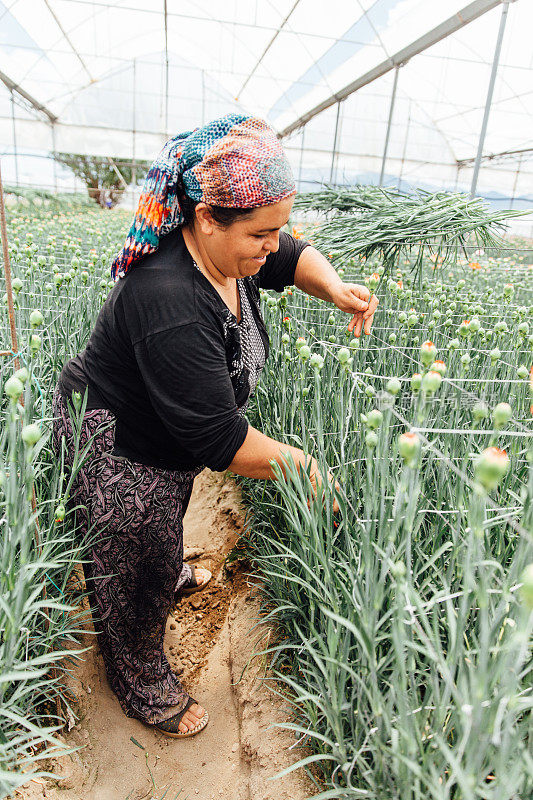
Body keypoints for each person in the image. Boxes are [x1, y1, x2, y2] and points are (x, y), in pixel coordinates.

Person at [52, 113, 378, 739]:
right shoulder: (169, 296)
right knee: (135, 537)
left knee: (162, 523)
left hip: (166, 437)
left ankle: (160, 567)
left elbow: (293, 253)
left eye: (277, 229)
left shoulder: (232, 249)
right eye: (262, 234)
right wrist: (304, 465)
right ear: (206, 217)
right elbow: (217, 440)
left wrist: (333, 287)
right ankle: (139, 672)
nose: (273, 244)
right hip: (116, 442)